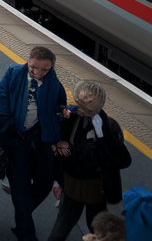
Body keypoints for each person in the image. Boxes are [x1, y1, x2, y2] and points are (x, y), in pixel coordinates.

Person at [0, 46, 69, 241]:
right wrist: (9, 119)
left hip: (40, 136)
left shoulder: (53, 83)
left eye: (44, 69)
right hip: (16, 136)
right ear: (28, 61)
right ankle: (26, 233)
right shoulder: (13, 72)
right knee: (20, 186)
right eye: (34, 67)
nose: (38, 72)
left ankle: (23, 212)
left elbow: (60, 104)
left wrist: (64, 112)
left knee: (44, 183)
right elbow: (0, 94)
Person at [47, 81, 133, 241]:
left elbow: (65, 158)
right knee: (97, 230)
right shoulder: (104, 125)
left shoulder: (74, 122)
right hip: (94, 188)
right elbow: (123, 160)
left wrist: (57, 182)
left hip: (77, 187)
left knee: (61, 229)